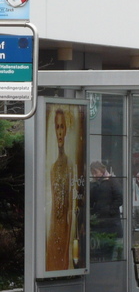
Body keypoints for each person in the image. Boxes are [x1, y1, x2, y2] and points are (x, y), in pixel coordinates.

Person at [46, 108, 73, 271]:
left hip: (66, 231)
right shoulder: (53, 167)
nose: (60, 132)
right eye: (57, 127)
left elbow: (71, 206)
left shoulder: (70, 165)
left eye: (62, 127)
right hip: (54, 230)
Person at [89, 160, 123, 262]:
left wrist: (110, 211)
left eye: (95, 172)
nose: (94, 175)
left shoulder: (112, 181)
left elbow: (119, 198)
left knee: (110, 250)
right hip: (99, 223)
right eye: (92, 173)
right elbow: (91, 200)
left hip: (110, 222)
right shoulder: (94, 184)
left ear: (102, 170)